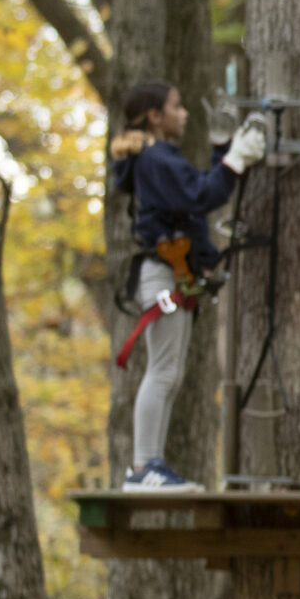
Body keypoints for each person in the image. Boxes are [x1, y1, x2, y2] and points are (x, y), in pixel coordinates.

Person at [107, 81, 267, 490]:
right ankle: (144, 467)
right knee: (162, 372)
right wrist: (233, 160)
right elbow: (201, 194)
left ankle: (150, 464)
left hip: (169, 271)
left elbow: (190, 192)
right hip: (163, 273)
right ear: (154, 116)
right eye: (176, 107)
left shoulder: (156, 160)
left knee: (169, 372)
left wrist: (221, 151)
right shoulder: (156, 158)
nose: (184, 114)